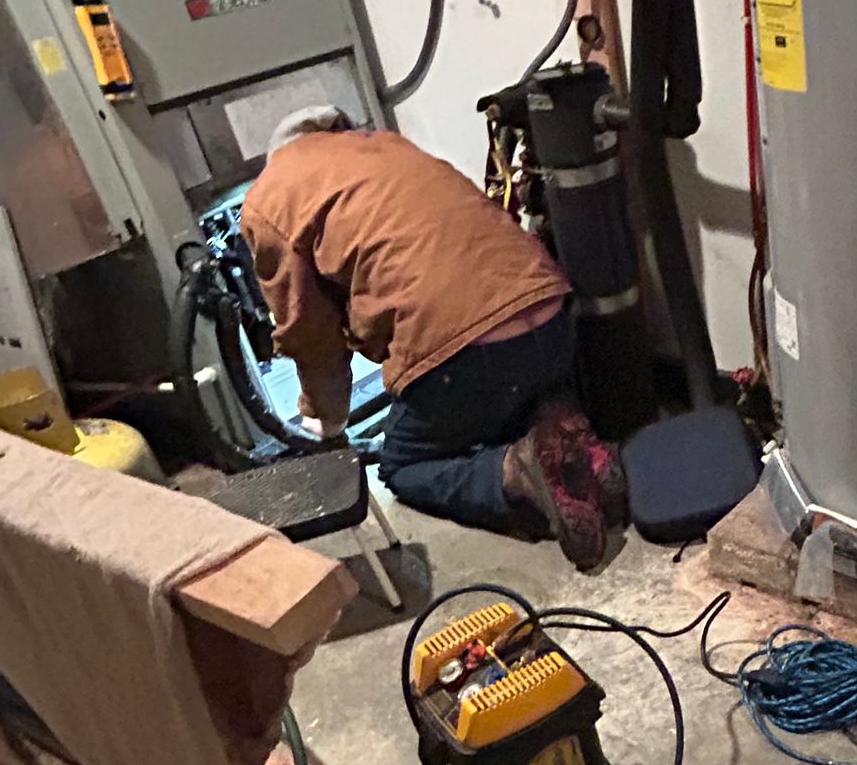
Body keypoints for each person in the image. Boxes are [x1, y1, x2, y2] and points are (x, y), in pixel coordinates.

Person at [241, 108, 623, 569]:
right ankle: (571, 434)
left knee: (403, 467)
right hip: (556, 318)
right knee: (502, 396)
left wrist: (328, 419)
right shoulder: (384, 146)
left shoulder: (268, 202)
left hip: (470, 357)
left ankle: (518, 466)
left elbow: (310, 334)